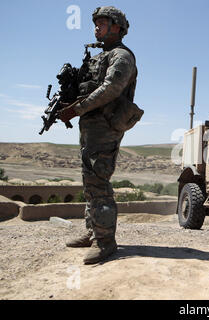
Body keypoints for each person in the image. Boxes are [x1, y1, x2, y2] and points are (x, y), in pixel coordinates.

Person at [59, 6, 138, 264]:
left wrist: (77, 109)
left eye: (102, 23)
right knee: (89, 183)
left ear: (117, 27)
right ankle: (93, 232)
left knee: (99, 183)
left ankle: (106, 242)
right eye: (96, 23)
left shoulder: (121, 57)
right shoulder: (100, 56)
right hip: (91, 126)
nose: (96, 27)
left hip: (105, 126)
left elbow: (111, 88)